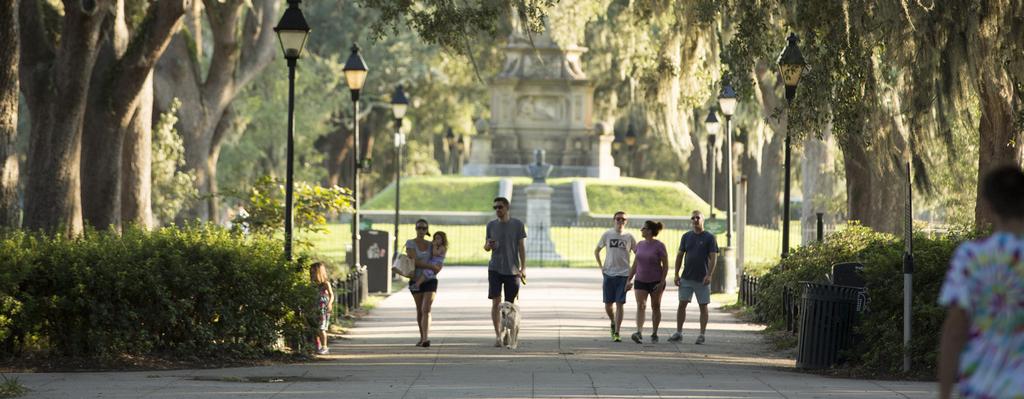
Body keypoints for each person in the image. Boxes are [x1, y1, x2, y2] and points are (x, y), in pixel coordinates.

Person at [938, 165, 1024, 399]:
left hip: (980, 388)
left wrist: (944, 393)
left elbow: (955, 330)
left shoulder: (971, 256)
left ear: (989, 205)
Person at [668, 210, 719, 345]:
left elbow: (713, 258)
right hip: (686, 277)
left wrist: (709, 275)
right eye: (693, 218)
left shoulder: (709, 238)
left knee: (703, 306)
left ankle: (702, 334)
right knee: (682, 304)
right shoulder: (686, 237)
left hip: (702, 278)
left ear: (703, 220)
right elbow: (679, 255)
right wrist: (676, 274)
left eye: (698, 218)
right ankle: (678, 332)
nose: (695, 220)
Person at [484, 196, 527, 347]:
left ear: (507, 208)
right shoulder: (491, 225)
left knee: (509, 304)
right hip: (495, 268)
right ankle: (497, 335)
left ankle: (508, 333)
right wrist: (488, 246)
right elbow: (486, 246)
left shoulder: (517, 225)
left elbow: (521, 247)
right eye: (495, 207)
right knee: (496, 303)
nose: (497, 210)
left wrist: (523, 268)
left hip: (512, 270)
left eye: (500, 207)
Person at [595, 211, 636, 342]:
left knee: (620, 303)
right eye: (618, 219)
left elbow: (638, 255)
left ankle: (617, 331)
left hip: (623, 274)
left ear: (626, 222)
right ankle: (612, 321)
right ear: (614, 220)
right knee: (608, 305)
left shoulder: (629, 237)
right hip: (609, 273)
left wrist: (632, 275)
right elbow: (597, 250)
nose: (620, 222)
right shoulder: (607, 234)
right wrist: (601, 267)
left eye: (623, 219)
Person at [627, 220, 669, 344]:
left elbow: (666, 265)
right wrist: (628, 279)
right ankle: (639, 332)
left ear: (650, 231)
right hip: (640, 280)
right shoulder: (639, 244)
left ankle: (654, 333)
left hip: (656, 281)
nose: (641, 230)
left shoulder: (659, 245)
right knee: (641, 305)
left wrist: (662, 282)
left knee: (655, 306)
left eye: (644, 228)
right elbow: (635, 264)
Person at [407, 219, 442, 347]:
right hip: (415, 279)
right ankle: (422, 337)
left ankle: (426, 338)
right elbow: (413, 261)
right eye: (419, 228)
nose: (421, 231)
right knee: (419, 310)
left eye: (424, 228)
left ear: (427, 230)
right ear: (415, 229)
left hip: (430, 280)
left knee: (426, 309)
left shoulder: (431, 244)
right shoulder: (410, 243)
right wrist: (430, 266)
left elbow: (439, 259)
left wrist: (436, 268)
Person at [309, 262, 335, 355]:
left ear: (319, 272)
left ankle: (325, 347)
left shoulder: (325, 284)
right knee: (315, 329)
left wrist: (330, 304)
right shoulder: (312, 285)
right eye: (311, 273)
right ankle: (317, 346)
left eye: (313, 272)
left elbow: (332, 295)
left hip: (323, 309)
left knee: (322, 328)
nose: (312, 275)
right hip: (314, 308)